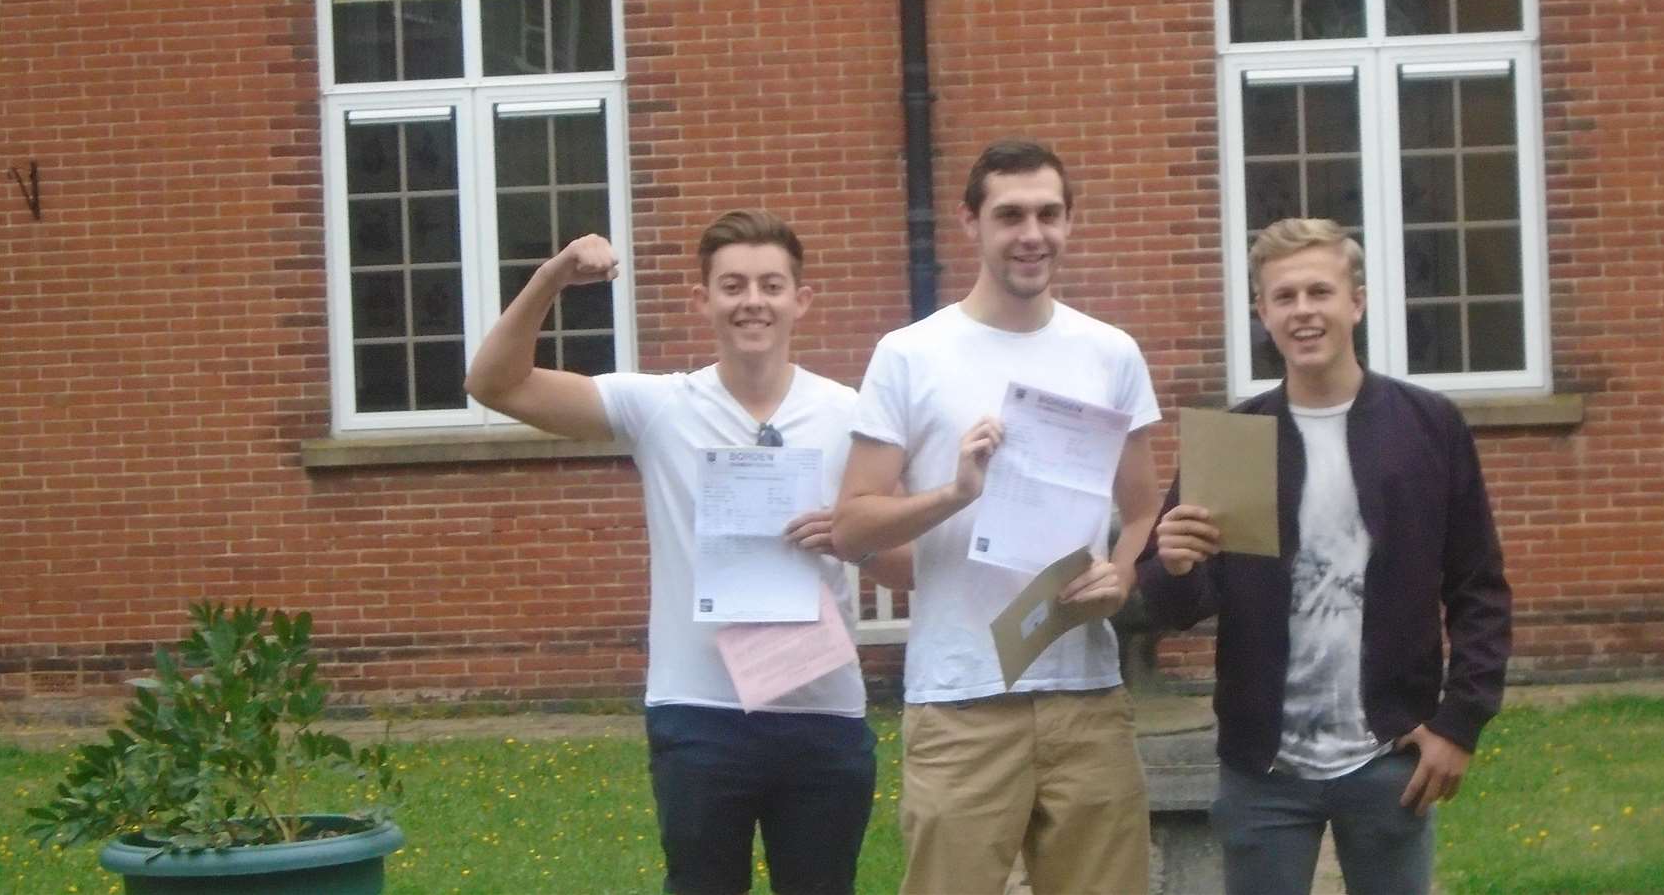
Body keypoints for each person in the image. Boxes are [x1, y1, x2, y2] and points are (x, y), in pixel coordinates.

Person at [464, 208, 910, 895]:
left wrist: (853, 539)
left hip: (820, 712)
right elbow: (494, 382)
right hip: (699, 712)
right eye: (733, 286)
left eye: (770, 284)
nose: (752, 302)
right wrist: (554, 276)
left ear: (802, 299)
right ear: (701, 300)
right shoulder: (659, 407)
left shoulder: (850, 414)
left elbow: (909, 568)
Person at [1137, 217, 1512, 895]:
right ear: (1262, 312)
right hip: (1261, 769)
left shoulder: (1425, 427)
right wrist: (1172, 563)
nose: (1303, 310)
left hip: (1389, 754)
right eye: (1284, 296)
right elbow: (1174, 605)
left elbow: (1479, 587)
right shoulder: (1237, 438)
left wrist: (1459, 722)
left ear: (1356, 302)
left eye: (1320, 291)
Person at [835, 138, 1161, 894]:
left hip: (1085, 695)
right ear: (970, 223)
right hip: (961, 697)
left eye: (1049, 213)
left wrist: (1120, 574)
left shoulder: (1110, 352)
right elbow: (852, 525)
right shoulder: (910, 354)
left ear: (1070, 221)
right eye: (1009, 214)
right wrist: (953, 492)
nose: (1031, 233)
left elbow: (1142, 508)